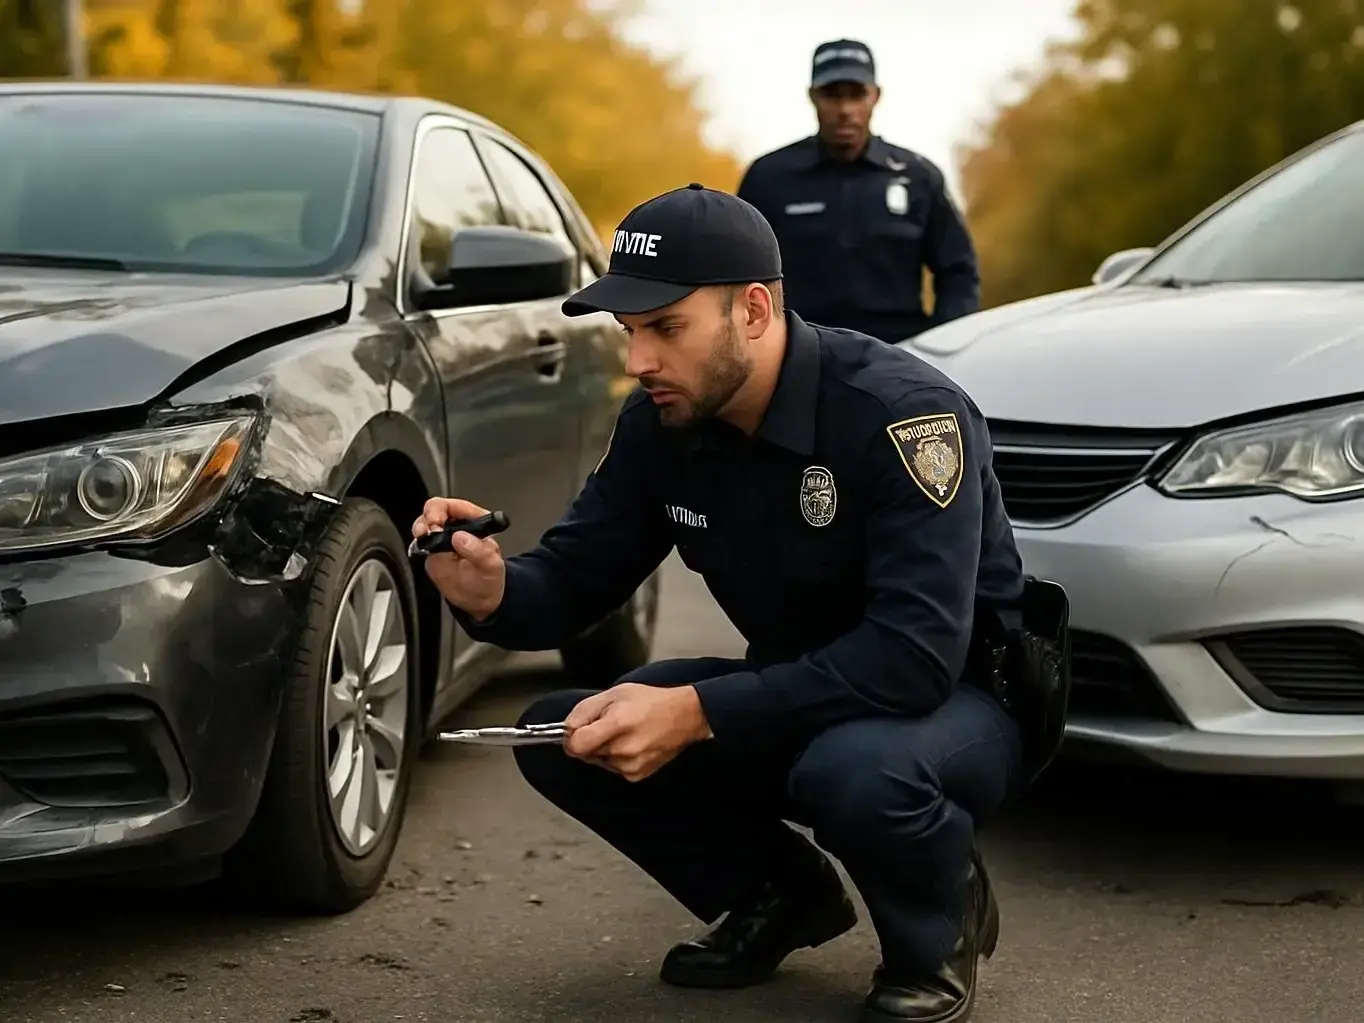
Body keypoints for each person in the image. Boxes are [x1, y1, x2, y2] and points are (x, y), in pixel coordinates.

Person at [414, 182, 1025, 1023]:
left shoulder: (901, 416)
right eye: (630, 332)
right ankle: (784, 896)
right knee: (566, 732)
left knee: (853, 770)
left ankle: (940, 917)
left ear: (754, 309)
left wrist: (696, 710)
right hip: (801, 687)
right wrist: (490, 587)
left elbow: (912, 659)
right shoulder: (663, 421)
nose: (639, 361)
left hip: (956, 701)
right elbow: (573, 577)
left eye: (666, 328)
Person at [735, 39, 981, 344]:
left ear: (875, 96)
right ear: (812, 96)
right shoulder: (768, 178)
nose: (845, 109)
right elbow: (738, 274)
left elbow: (958, 271)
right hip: (799, 359)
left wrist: (944, 345)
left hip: (898, 359)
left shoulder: (918, 177)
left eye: (856, 95)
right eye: (832, 96)